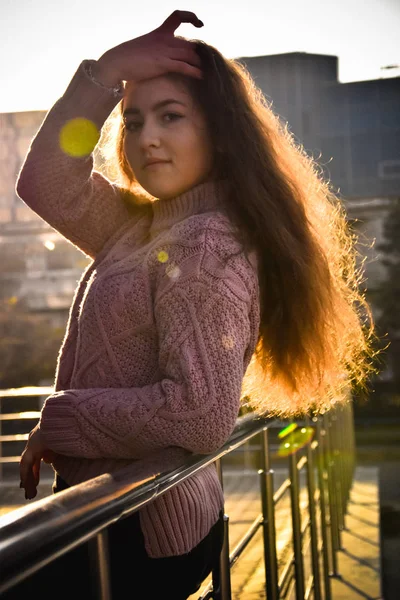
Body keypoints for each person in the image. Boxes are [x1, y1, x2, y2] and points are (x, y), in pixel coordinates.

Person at [16, 8, 379, 600]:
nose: (147, 136)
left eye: (171, 116)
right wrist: (105, 74)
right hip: (128, 511)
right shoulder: (140, 228)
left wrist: (62, 420)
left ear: (218, 132)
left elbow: (199, 416)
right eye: (133, 121)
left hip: (145, 530)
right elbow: (46, 182)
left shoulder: (207, 243)